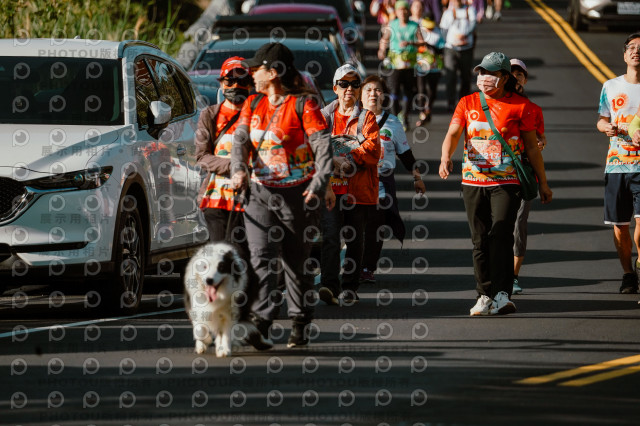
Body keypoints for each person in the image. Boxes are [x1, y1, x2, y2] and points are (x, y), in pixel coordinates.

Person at [230, 42, 333, 348]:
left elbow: (322, 147)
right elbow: (240, 142)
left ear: (274, 72)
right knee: (261, 258)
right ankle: (262, 320)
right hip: (259, 193)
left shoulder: (304, 105)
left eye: (257, 68)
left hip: (298, 195)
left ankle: (300, 319)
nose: (252, 73)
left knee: (295, 262)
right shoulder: (253, 104)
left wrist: (318, 183)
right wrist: (238, 171)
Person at [439, 51, 552, 316]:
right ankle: (484, 295)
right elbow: (453, 133)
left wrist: (543, 183)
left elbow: (532, 148)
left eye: (490, 73)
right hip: (473, 181)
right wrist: (445, 157)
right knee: (479, 240)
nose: (484, 77)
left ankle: (502, 294)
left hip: (506, 181)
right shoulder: (467, 102)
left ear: (504, 77)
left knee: (500, 234)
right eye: (481, 72)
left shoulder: (520, 106)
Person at [195, 56, 273, 351]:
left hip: (253, 200)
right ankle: (210, 320)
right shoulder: (210, 115)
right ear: (222, 83)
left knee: (253, 263)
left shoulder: (260, 113)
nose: (236, 86)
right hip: (217, 200)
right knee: (221, 262)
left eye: (242, 80)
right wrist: (234, 165)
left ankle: (246, 321)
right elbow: (202, 156)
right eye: (230, 80)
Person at [318, 64, 381, 305]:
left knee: (354, 239)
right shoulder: (323, 117)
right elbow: (313, 146)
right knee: (331, 236)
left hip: (358, 189)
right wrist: (331, 160)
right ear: (335, 88)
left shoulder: (367, 117)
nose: (349, 89)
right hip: (330, 189)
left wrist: (349, 159)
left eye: (355, 84)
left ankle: (350, 288)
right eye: (344, 84)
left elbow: (373, 149)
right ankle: (329, 286)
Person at [360, 75, 426, 283]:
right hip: (356, 181)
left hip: (382, 183)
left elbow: (405, 153)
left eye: (377, 90)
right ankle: (353, 264)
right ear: (360, 96)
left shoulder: (393, 123)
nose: (373, 94)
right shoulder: (352, 120)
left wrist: (417, 178)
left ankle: (367, 268)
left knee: (376, 224)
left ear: (384, 96)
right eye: (368, 90)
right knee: (355, 225)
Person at [596, 33, 640, 294]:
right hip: (617, 165)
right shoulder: (611, 86)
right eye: (631, 47)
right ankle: (628, 274)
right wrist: (606, 127)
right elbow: (601, 119)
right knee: (620, 226)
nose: (636, 51)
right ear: (624, 54)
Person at [509, 58, 547, 295]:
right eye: (511, 74)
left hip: (524, 172)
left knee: (518, 223)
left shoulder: (533, 109)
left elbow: (540, 139)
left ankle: (512, 275)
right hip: (496, 173)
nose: (515, 78)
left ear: (525, 80)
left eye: (520, 74)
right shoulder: (492, 105)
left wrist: (540, 142)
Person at [378, 0, 425, 129]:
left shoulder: (414, 26)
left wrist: (411, 43)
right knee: (394, 90)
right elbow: (384, 39)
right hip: (395, 64)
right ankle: (395, 116)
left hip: (409, 64)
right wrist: (381, 50)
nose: (403, 12)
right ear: (396, 12)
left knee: (408, 92)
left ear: (408, 11)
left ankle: (405, 116)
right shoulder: (392, 24)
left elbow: (422, 42)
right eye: (400, 10)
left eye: (405, 9)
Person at [439, 0, 476, 112]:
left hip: (466, 49)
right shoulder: (448, 13)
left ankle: (464, 102)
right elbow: (443, 30)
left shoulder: (470, 10)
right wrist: (448, 42)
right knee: (450, 75)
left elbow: (473, 25)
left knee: (466, 76)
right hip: (451, 49)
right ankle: (450, 102)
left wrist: (464, 35)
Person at [415, 13, 444, 126]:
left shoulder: (438, 33)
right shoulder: (419, 31)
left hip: (434, 67)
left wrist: (429, 46)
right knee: (421, 90)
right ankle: (422, 113)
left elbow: (441, 50)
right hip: (421, 66)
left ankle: (428, 109)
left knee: (432, 91)